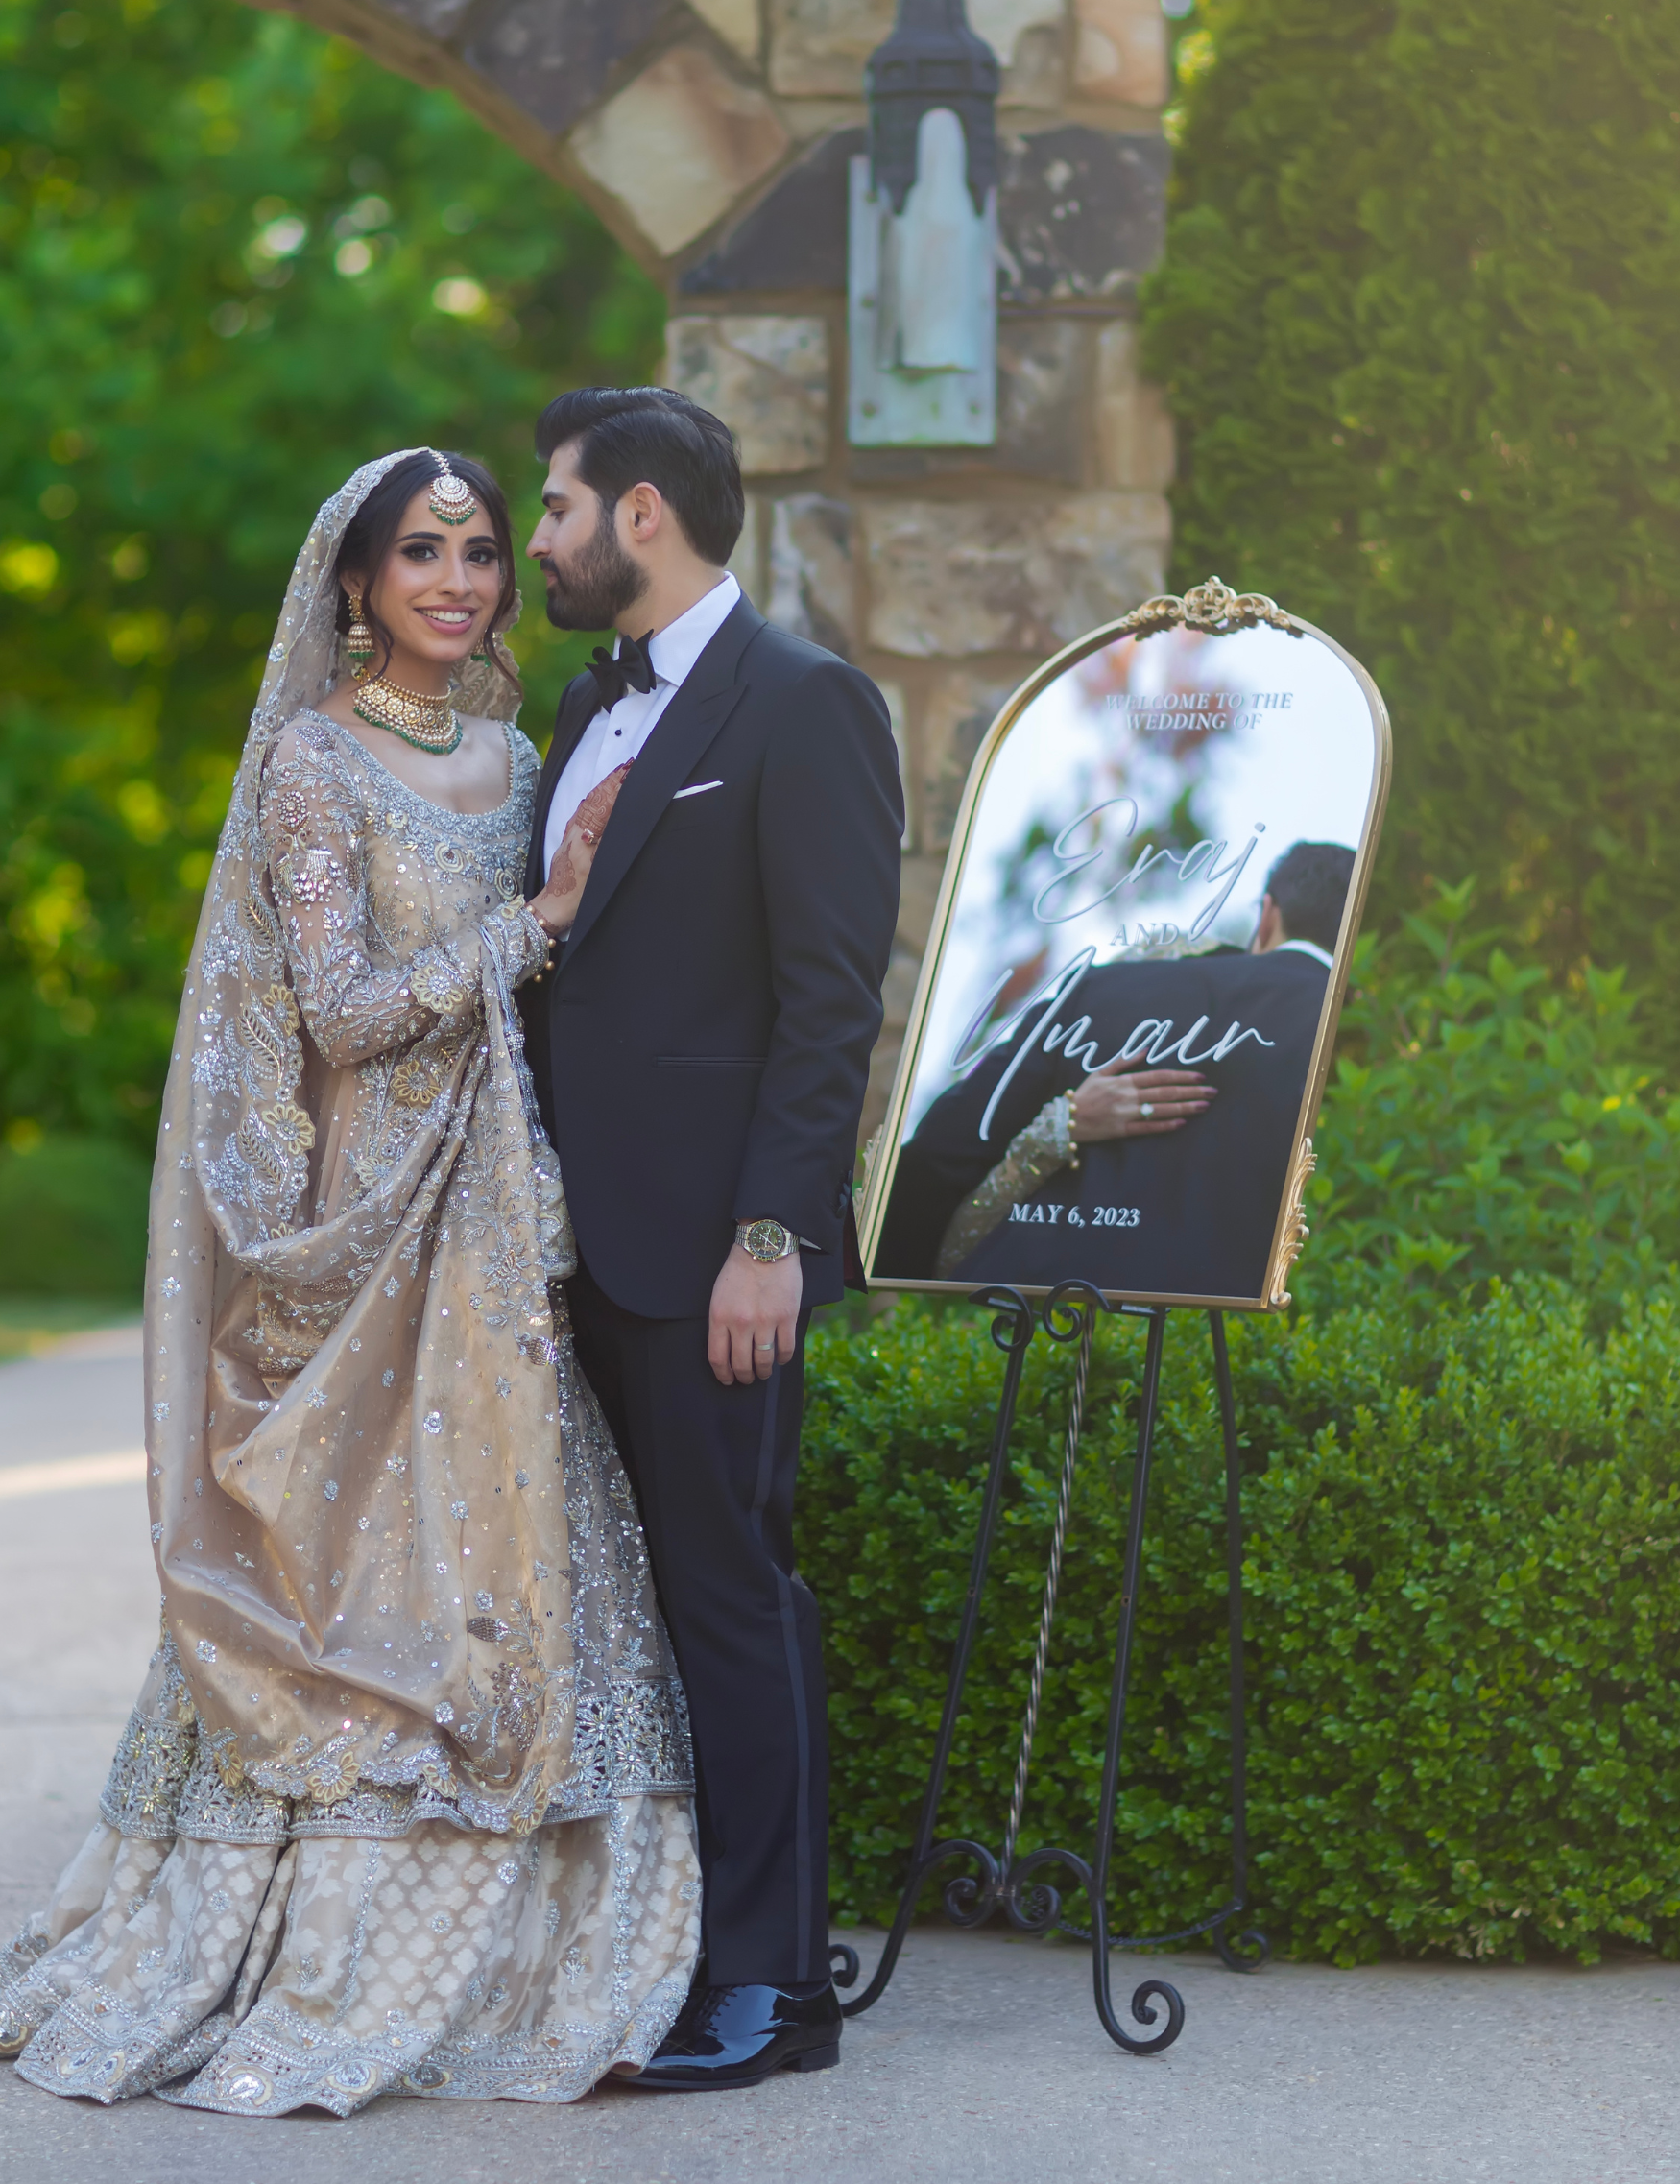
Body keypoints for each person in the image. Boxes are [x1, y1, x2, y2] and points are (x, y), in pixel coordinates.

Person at [0, 450, 701, 2114]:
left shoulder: (519, 751)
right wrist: (537, 917)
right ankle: (301, 1947)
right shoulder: (314, 764)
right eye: (421, 555)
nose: (459, 579)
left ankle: (537, 1946)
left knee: (528, 1538)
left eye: (477, 551)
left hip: (498, 1223)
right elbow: (339, 1013)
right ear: (356, 586)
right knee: (352, 1564)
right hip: (365, 1220)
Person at [516, 387, 902, 2090]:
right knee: (626, 1608)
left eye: (554, 507)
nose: (536, 540)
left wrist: (774, 1233)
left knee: (732, 1601)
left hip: (708, 1254)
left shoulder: (808, 704)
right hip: (556, 1251)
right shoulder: (586, 705)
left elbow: (830, 1006)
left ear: (645, 513)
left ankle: (772, 1992)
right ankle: (644, 1946)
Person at [875, 841, 1356, 1301]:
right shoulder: (1361, 1035)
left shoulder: (1107, 988)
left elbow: (942, 1151)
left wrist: (901, 1264)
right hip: (1231, 1341)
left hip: (1035, 1311)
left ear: (1268, 914)